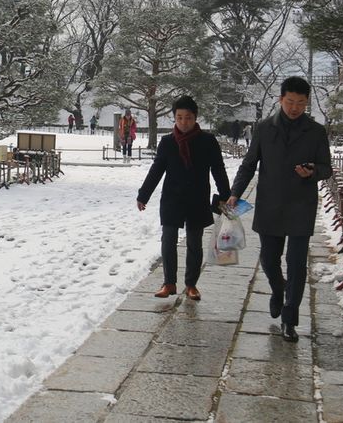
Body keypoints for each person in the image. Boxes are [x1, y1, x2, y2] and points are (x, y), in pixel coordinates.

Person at [225, 76, 332, 343]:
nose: (295, 107)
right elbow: (249, 164)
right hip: (270, 203)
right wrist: (235, 193)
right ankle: (277, 288)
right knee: (269, 260)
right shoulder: (264, 128)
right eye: (290, 102)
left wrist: (312, 171)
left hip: (301, 205)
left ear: (307, 103)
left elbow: (326, 168)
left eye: (301, 103)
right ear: (280, 99)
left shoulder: (316, 132)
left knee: (296, 264)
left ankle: (289, 318)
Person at [137, 95, 231, 301]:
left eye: (188, 118)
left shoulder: (208, 141)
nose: (183, 122)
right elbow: (157, 170)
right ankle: (169, 282)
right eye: (179, 117)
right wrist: (143, 194)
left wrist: (226, 195)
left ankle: (191, 284)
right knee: (168, 240)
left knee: (194, 243)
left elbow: (218, 170)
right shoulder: (168, 142)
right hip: (172, 198)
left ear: (195, 118)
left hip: (197, 199)